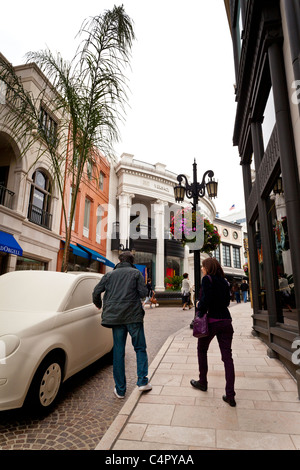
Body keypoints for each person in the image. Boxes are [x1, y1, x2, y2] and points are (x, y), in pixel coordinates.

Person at [92, 251, 152, 399]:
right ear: (132, 261)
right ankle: (142, 381)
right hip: (133, 316)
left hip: (116, 318)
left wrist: (99, 304)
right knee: (140, 348)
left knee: (118, 352)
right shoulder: (136, 273)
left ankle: (120, 390)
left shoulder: (109, 275)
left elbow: (96, 292)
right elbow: (143, 294)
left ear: (119, 260)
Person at [190, 257, 236, 407]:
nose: (202, 269)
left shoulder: (207, 279)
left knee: (202, 350)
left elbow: (206, 300)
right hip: (226, 321)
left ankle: (203, 381)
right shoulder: (224, 281)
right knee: (227, 357)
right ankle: (230, 395)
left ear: (208, 267)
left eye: (203, 267)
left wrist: (199, 305)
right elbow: (227, 302)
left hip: (211, 321)